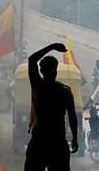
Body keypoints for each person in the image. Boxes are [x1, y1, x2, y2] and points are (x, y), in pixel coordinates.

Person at [24, 43, 78, 171]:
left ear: (41, 70)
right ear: (56, 69)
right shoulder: (65, 91)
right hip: (58, 142)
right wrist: (74, 138)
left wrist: (52, 47)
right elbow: (72, 117)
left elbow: (32, 59)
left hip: (39, 142)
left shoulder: (38, 86)